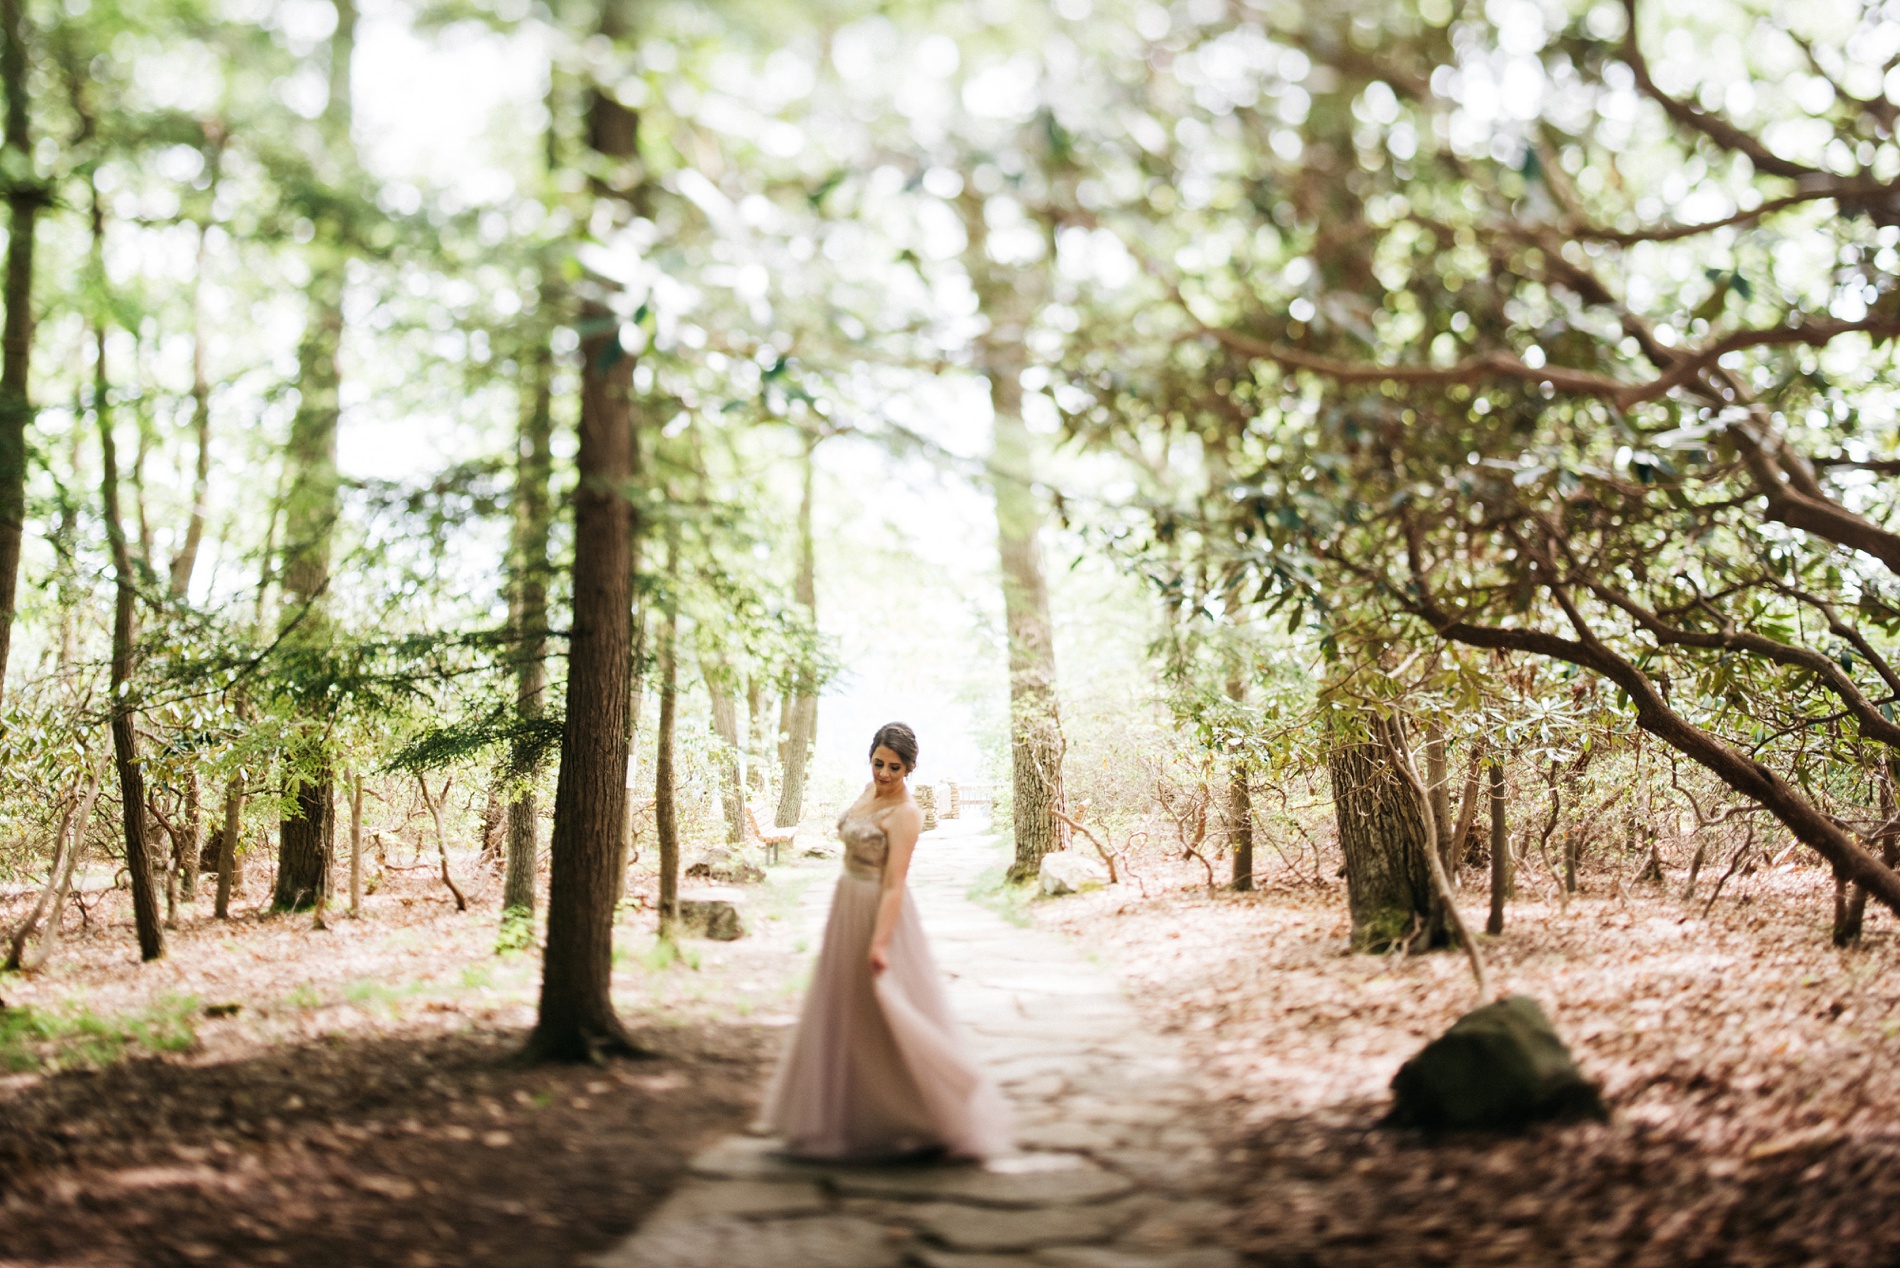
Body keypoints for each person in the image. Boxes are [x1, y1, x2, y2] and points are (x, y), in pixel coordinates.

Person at [755, 722, 1011, 1160]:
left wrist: (879, 943)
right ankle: (848, 1115)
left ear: (909, 768)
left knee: (892, 1008)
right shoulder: (867, 791)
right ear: (870, 757)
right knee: (846, 1008)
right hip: (846, 904)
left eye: (895, 767)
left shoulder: (907, 814)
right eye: (878, 763)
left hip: (878, 911)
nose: (885, 774)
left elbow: (895, 884)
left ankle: (929, 1110)